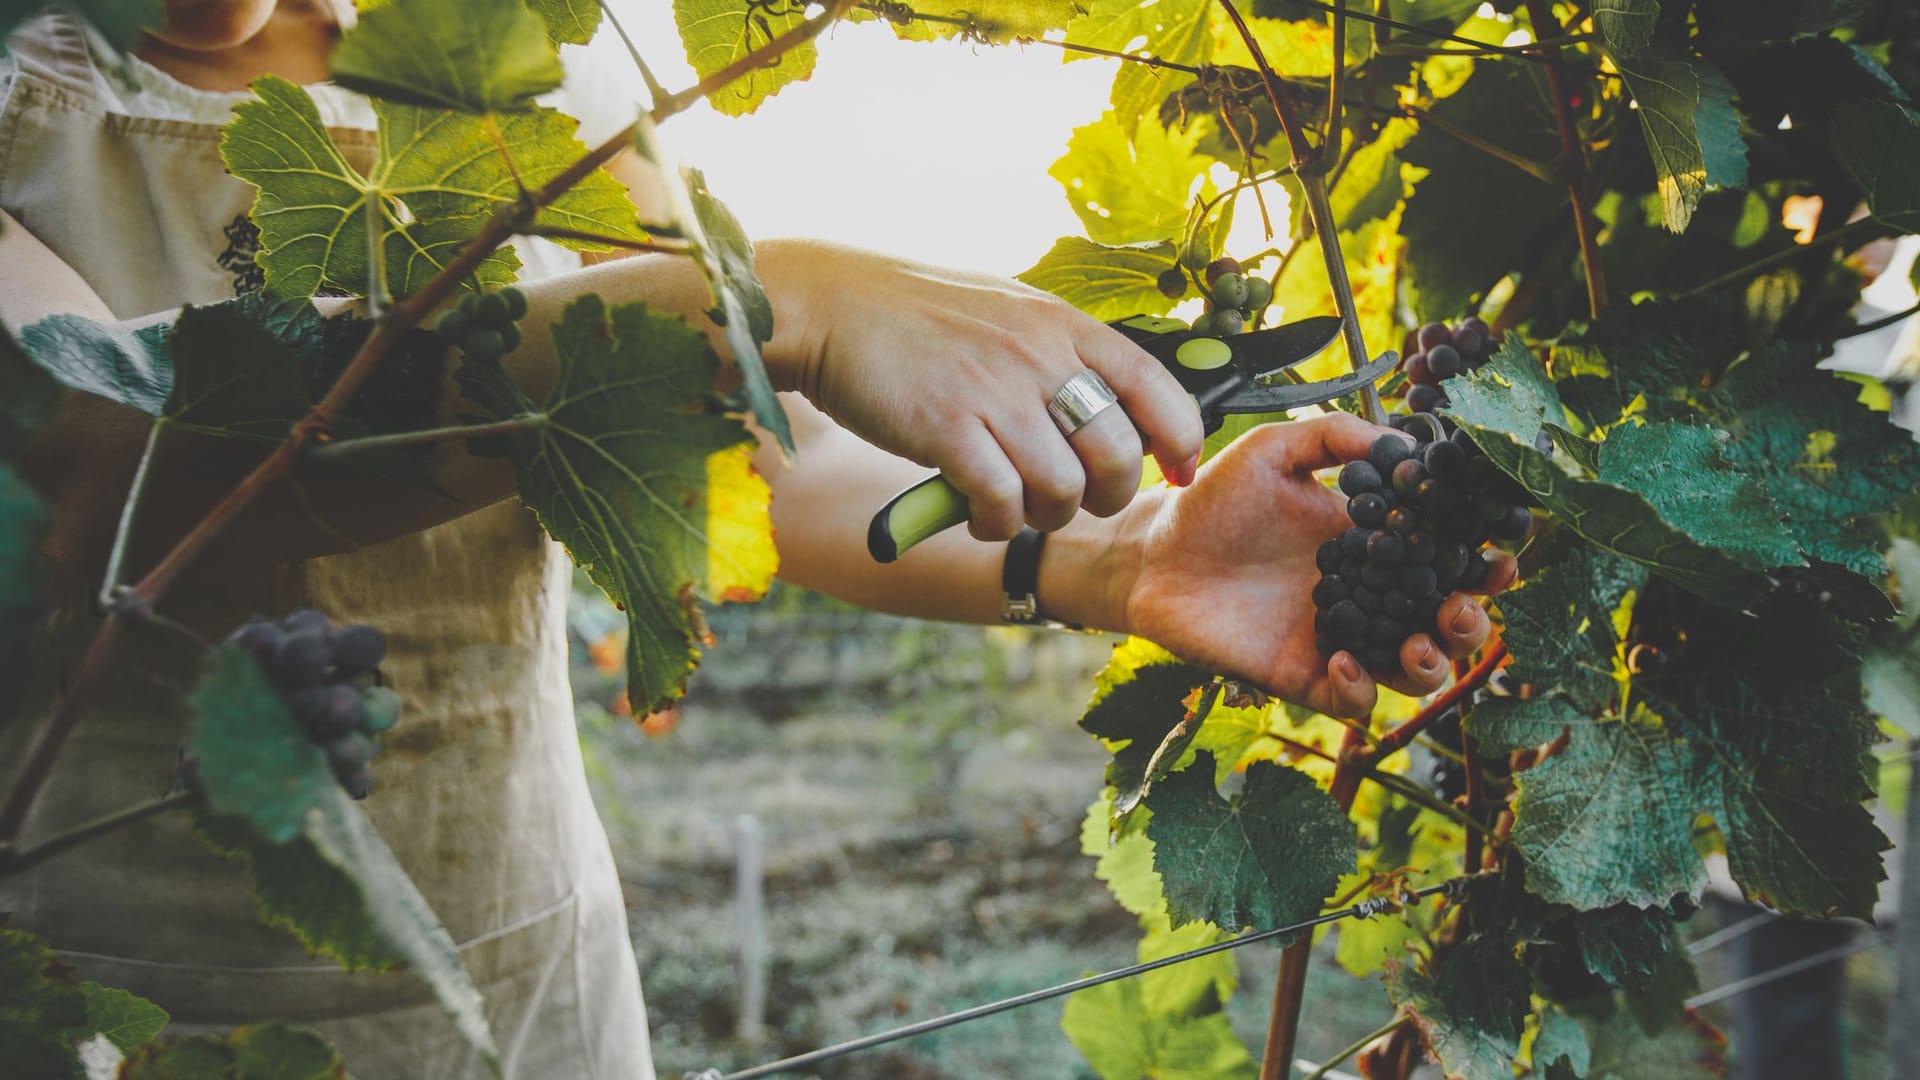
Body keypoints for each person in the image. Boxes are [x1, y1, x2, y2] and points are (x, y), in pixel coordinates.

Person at [0, 2, 1506, 1076]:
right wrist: (771, 303)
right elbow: (123, 454)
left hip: (526, 974)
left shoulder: (506, 57)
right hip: (118, 1008)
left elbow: (740, 479)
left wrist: (1114, 558)